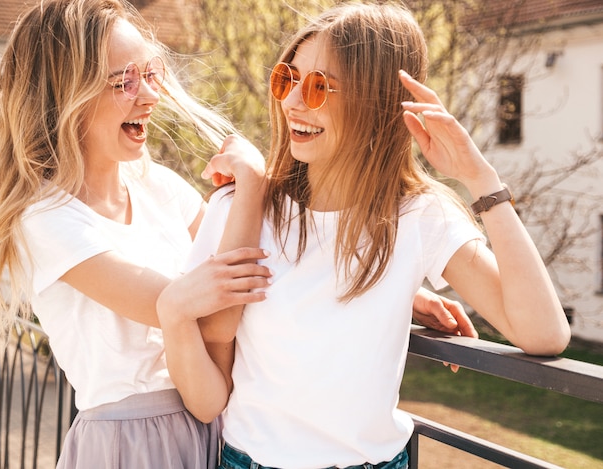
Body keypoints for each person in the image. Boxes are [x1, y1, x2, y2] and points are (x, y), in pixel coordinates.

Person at [0, 0, 475, 468]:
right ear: (62, 95)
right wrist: (253, 182)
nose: (150, 94)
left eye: (151, 73)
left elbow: (265, 260)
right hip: (132, 443)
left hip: (215, 425)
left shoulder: (157, 186)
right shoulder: (46, 220)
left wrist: (390, 288)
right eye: (123, 82)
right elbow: (196, 305)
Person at [162, 2, 572, 469]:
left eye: (319, 87)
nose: (293, 101)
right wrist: (171, 312)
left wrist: (480, 177)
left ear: (375, 101)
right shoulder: (241, 207)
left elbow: (545, 334)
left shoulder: (420, 215)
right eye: (287, 78)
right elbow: (207, 391)